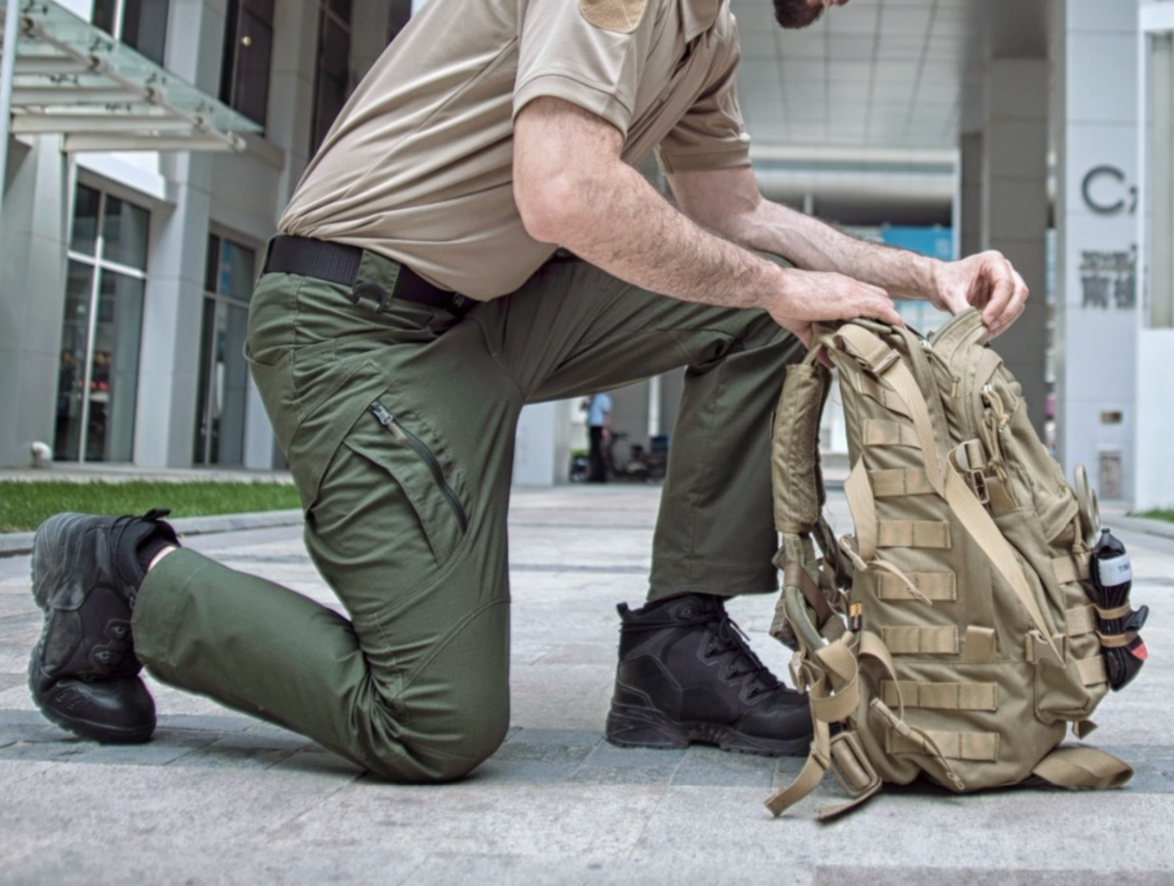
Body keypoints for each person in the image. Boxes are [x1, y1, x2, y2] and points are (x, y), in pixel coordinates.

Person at [27, 0, 1028, 777]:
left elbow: (736, 211)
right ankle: (123, 575)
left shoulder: (704, 28)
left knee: (777, 308)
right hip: (356, 323)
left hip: (489, 316)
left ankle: (676, 648)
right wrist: (775, 284)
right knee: (432, 723)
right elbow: (564, 191)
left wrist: (920, 274)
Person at [583, 393, 614, 482]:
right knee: (593, 451)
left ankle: (600, 475)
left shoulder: (603, 398)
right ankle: (593, 474)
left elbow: (606, 414)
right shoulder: (592, 399)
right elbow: (584, 408)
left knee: (599, 451)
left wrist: (605, 428)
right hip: (592, 426)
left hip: (599, 426)